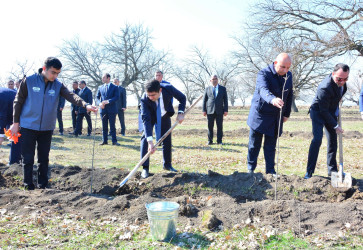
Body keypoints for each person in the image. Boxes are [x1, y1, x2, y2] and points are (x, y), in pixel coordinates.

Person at [10, 57, 97, 190]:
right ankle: (28, 185)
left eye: (58, 73)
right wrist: (15, 122)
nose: (55, 76)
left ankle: (43, 186)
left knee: (44, 158)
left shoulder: (57, 85)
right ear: (44, 69)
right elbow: (18, 101)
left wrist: (85, 105)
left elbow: (71, 95)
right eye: (53, 72)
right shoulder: (29, 81)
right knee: (28, 158)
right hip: (28, 126)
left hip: (47, 127)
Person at [246, 53, 293, 175]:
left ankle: (270, 171)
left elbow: (289, 94)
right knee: (254, 145)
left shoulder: (289, 76)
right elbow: (263, 89)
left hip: (275, 116)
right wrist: (272, 99)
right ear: (275, 63)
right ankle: (250, 169)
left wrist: (286, 113)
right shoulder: (263, 73)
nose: (285, 70)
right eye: (283, 67)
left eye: (288, 68)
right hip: (260, 114)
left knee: (270, 146)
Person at [304, 63, 349, 179]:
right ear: (333, 74)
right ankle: (309, 172)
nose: (342, 82)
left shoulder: (343, 83)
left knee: (333, 141)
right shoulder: (325, 87)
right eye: (339, 79)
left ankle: (333, 171)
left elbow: (339, 94)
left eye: (345, 79)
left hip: (330, 111)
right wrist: (335, 125)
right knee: (317, 139)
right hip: (318, 112)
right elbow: (323, 111)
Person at [140, 79, 186, 178]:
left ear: (160, 90)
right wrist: (150, 142)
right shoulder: (144, 98)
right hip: (151, 116)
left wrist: (181, 112)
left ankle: (167, 165)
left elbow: (182, 98)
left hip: (165, 114)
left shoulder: (168, 88)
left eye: (153, 95)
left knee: (167, 138)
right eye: (149, 95)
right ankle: (145, 168)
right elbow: (146, 120)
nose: (151, 98)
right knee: (145, 138)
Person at [202, 74, 228, 145]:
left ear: (218, 80)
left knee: (219, 126)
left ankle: (219, 141)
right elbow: (204, 100)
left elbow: (225, 100)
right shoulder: (207, 89)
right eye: (213, 79)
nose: (214, 80)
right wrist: (204, 110)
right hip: (210, 111)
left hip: (220, 111)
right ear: (210, 80)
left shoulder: (223, 89)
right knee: (210, 126)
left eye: (216, 79)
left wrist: (226, 110)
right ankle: (210, 141)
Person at [96, 73, 120, 146]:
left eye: (104, 77)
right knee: (104, 126)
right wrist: (99, 103)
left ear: (108, 78)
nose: (102, 79)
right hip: (103, 110)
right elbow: (97, 97)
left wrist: (108, 101)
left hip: (112, 109)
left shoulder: (115, 87)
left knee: (112, 126)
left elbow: (116, 97)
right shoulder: (100, 87)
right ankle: (104, 141)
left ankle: (114, 141)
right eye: (102, 77)